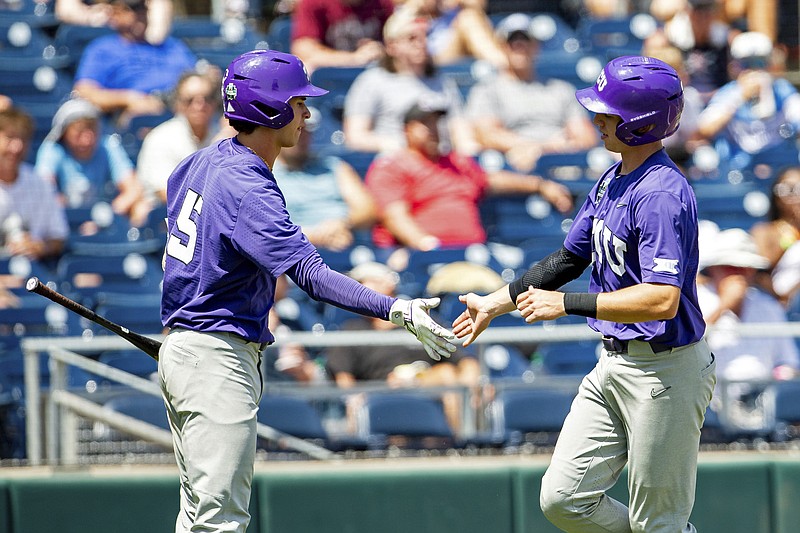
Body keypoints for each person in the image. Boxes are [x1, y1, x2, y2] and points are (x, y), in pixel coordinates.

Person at [158, 49, 457, 533]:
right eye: (298, 102)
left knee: (196, 518)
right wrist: (394, 307)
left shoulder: (200, 162)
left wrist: (184, 333)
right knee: (219, 521)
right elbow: (312, 275)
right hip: (214, 354)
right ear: (270, 109)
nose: (307, 113)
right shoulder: (248, 185)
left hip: (188, 346)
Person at [452, 56, 715, 532]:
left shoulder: (660, 193)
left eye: (608, 112)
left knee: (657, 522)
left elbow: (662, 299)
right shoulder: (614, 178)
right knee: (564, 500)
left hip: (665, 368)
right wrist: (495, 302)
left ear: (640, 123)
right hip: (614, 362)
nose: (596, 119)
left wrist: (568, 305)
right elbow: (569, 259)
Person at [365, 98, 573, 252]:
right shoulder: (392, 165)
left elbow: (490, 181)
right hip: (428, 256)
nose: (433, 129)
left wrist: (540, 185)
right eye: (424, 123)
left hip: (473, 252)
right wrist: (426, 245)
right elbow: (395, 216)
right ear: (406, 130)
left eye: (435, 122)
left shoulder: (456, 162)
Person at [325, 261, 480, 431]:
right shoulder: (352, 330)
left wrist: (472, 383)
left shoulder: (422, 320)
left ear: (388, 284)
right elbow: (344, 378)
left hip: (427, 386)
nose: (356, 290)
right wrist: (356, 398)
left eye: (362, 283)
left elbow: (465, 360)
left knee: (448, 375)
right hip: (381, 394)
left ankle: (459, 446)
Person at [465, 12, 598, 173]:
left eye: (525, 40)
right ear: (502, 46)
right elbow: (486, 135)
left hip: (561, 161)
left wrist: (541, 150)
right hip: (516, 165)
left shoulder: (561, 89)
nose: (519, 46)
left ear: (536, 46)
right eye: (512, 41)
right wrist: (538, 147)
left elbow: (586, 137)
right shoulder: (487, 90)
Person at [697, 225, 799, 430]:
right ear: (714, 269)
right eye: (730, 268)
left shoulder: (768, 306)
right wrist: (724, 306)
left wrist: (777, 381)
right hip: (707, 408)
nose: (740, 275)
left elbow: (788, 362)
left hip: (764, 408)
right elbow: (688, 348)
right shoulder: (695, 300)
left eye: (745, 268)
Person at [342, 8, 477, 155]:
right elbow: (355, 136)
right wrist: (393, 145)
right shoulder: (371, 81)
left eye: (426, 36)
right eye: (412, 38)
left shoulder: (442, 81)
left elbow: (461, 131)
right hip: (397, 164)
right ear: (392, 46)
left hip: (441, 165)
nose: (421, 43)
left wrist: (468, 151)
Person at [73, 0, 197, 121]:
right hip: (137, 117)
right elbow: (84, 92)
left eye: (143, 8)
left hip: (181, 110)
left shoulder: (172, 46)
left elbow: (196, 77)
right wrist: (128, 99)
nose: (140, 14)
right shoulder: (103, 48)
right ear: (115, 13)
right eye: (132, 9)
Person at [696, 31, 800, 172]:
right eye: (745, 64)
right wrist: (740, 97)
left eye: (759, 62)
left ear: (769, 64)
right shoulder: (728, 94)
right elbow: (704, 129)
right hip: (739, 169)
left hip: (779, 167)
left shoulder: (781, 89)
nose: (753, 69)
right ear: (734, 67)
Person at [35, 98, 148, 226]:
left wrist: (104, 217)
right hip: (61, 222)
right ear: (64, 132)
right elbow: (43, 190)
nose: (86, 140)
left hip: (103, 219)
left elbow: (133, 188)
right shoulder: (52, 150)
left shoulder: (108, 146)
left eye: (92, 131)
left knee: (141, 207)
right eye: (79, 133)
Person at [272, 114, 377, 252]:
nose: (300, 137)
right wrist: (308, 236)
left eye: (306, 131)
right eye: (296, 130)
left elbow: (368, 210)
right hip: (291, 253)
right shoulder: (263, 173)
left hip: (343, 244)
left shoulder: (334, 166)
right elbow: (260, 227)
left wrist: (342, 223)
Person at [137, 70, 233, 207]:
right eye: (190, 100)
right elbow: (169, 194)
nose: (199, 105)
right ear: (179, 104)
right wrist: (216, 148)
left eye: (207, 98)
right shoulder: (161, 138)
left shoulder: (226, 135)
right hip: (164, 220)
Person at [0, 107, 69, 264]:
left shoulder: (40, 183)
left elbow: (58, 237)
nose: (16, 148)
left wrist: (40, 247)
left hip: (32, 273)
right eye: (10, 138)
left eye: (23, 140)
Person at [289, 0, 395, 72]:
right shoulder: (315, 3)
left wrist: (381, 50)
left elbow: (399, 43)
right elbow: (303, 49)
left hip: (372, 72)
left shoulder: (382, 3)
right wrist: (354, 58)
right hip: (331, 75)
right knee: (306, 68)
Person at [396, 0, 508, 69]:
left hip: (452, 54)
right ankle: (506, 68)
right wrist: (417, 8)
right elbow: (394, 37)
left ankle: (503, 66)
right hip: (425, 61)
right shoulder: (408, 10)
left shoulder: (452, 10)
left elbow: (478, 4)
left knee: (470, 18)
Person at [55, 0, 174, 45]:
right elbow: (65, 11)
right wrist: (95, 16)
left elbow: (156, 35)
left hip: (140, 44)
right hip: (94, 40)